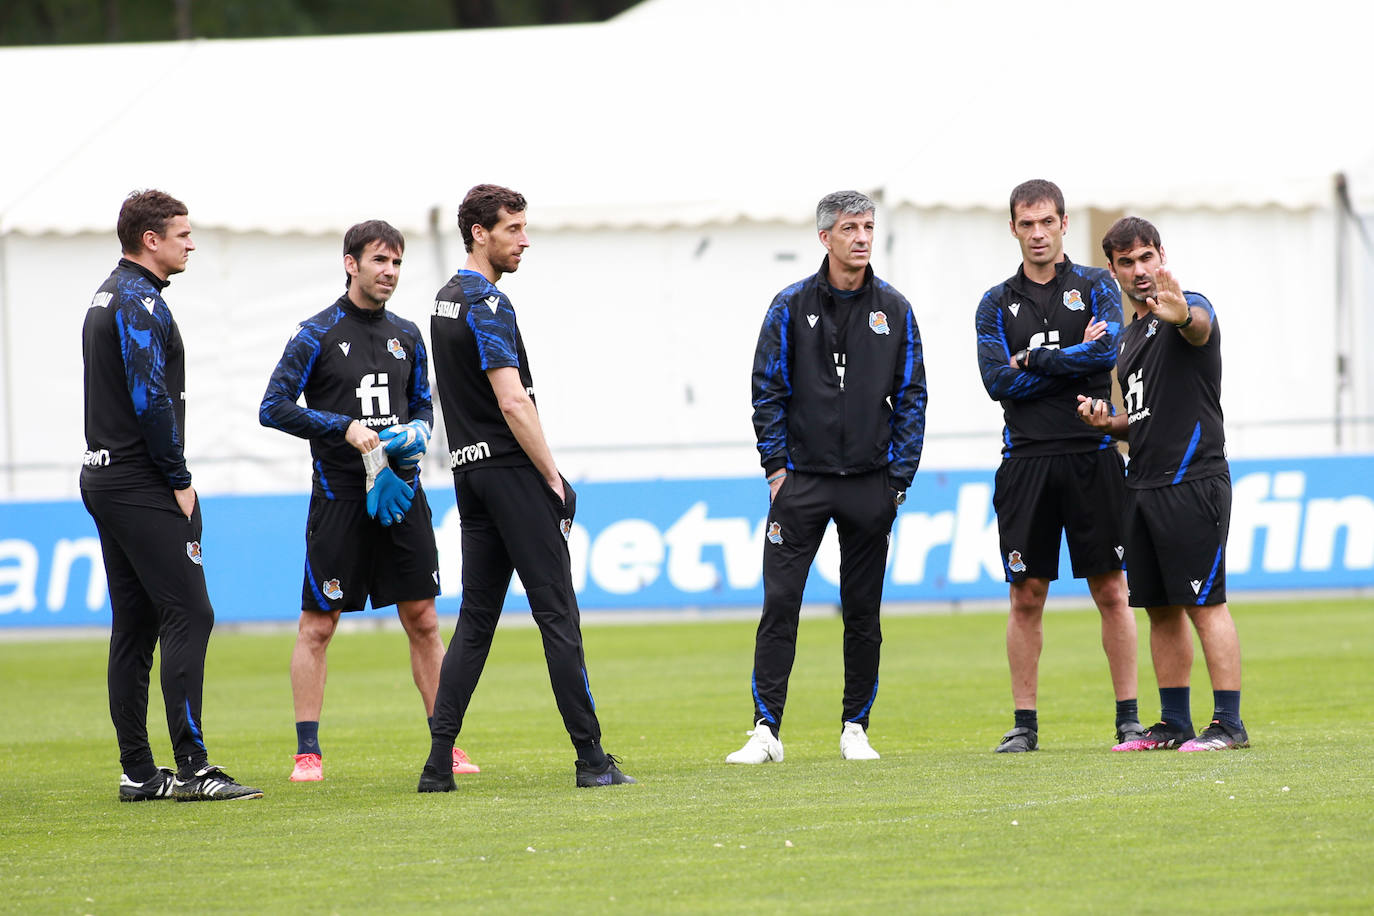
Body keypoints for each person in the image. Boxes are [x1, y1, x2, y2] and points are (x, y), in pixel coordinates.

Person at [417, 184, 634, 791]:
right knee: (558, 616)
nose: (524, 239)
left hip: (469, 473)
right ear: (479, 234)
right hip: (512, 474)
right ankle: (592, 760)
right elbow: (512, 399)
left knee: (476, 622)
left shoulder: (443, 301)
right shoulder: (487, 303)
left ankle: (438, 765)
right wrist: (553, 477)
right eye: (512, 228)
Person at [259, 220, 478, 782]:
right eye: (380, 261)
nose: (390, 272)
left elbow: (425, 403)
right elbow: (274, 406)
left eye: (398, 263)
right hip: (338, 500)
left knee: (424, 619)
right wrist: (344, 428)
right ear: (350, 263)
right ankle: (307, 753)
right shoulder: (317, 332)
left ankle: (445, 744)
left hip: (402, 495)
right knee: (319, 625)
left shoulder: (408, 334)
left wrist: (421, 432)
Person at [727, 190, 927, 765]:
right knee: (781, 603)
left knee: (862, 610)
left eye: (868, 227)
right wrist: (775, 468)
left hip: (870, 483)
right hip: (802, 484)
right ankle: (766, 730)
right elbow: (766, 388)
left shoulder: (896, 307)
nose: (862, 237)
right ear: (825, 238)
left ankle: (855, 727)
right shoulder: (789, 305)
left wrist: (899, 479)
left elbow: (912, 394)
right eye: (849, 228)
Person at [81, 189, 262, 802]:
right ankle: (193, 769)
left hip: (105, 474)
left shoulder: (109, 293)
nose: (191, 242)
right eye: (182, 233)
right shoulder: (137, 301)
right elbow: (148, 398)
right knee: (191, 613)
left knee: (134, 623)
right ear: (150, 240)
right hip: (139, 480)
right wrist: (179, 477)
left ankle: (138, 772)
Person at [975, 179, 1140, 753]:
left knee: (1112, 590)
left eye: (1047, 222)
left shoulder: (1095, 284)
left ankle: (1129, 719)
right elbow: (998, 380)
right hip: (1026, 462)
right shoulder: (996, 302)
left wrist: (1037, 359)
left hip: (1092, 456)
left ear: (1064, 224)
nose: (1038, 233)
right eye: (1027, 224)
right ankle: (1025, 724)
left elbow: (1107, 352)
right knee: (1026, 594)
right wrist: (1068, 365)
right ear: (1014, 228)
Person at [1078, 216, 1248, 752]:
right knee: (1160, 608)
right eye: (1126, 262)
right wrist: (1112, 423)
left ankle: (1228, 724)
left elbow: (1197, 325)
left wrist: (1183, 317)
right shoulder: (1129, 337)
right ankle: (1174, 722)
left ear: (1161, 256)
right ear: (1114, 271)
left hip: (1192, 480)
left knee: (1205, 603)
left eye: (1146, 257)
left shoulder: (1188, 305)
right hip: (1144, 485)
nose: (1139, 270)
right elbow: (1145, 416)